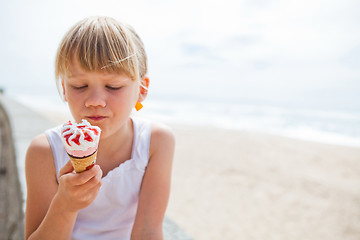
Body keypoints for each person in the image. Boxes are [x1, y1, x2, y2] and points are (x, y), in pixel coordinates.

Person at [24, 16, 175, 240]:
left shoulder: (156, 142)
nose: (95, 100)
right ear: (64, 89)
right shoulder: (44, 151)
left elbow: (147, 232)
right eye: (80, 86)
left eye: (113, 86)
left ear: (141, 90)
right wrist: (65, 206)